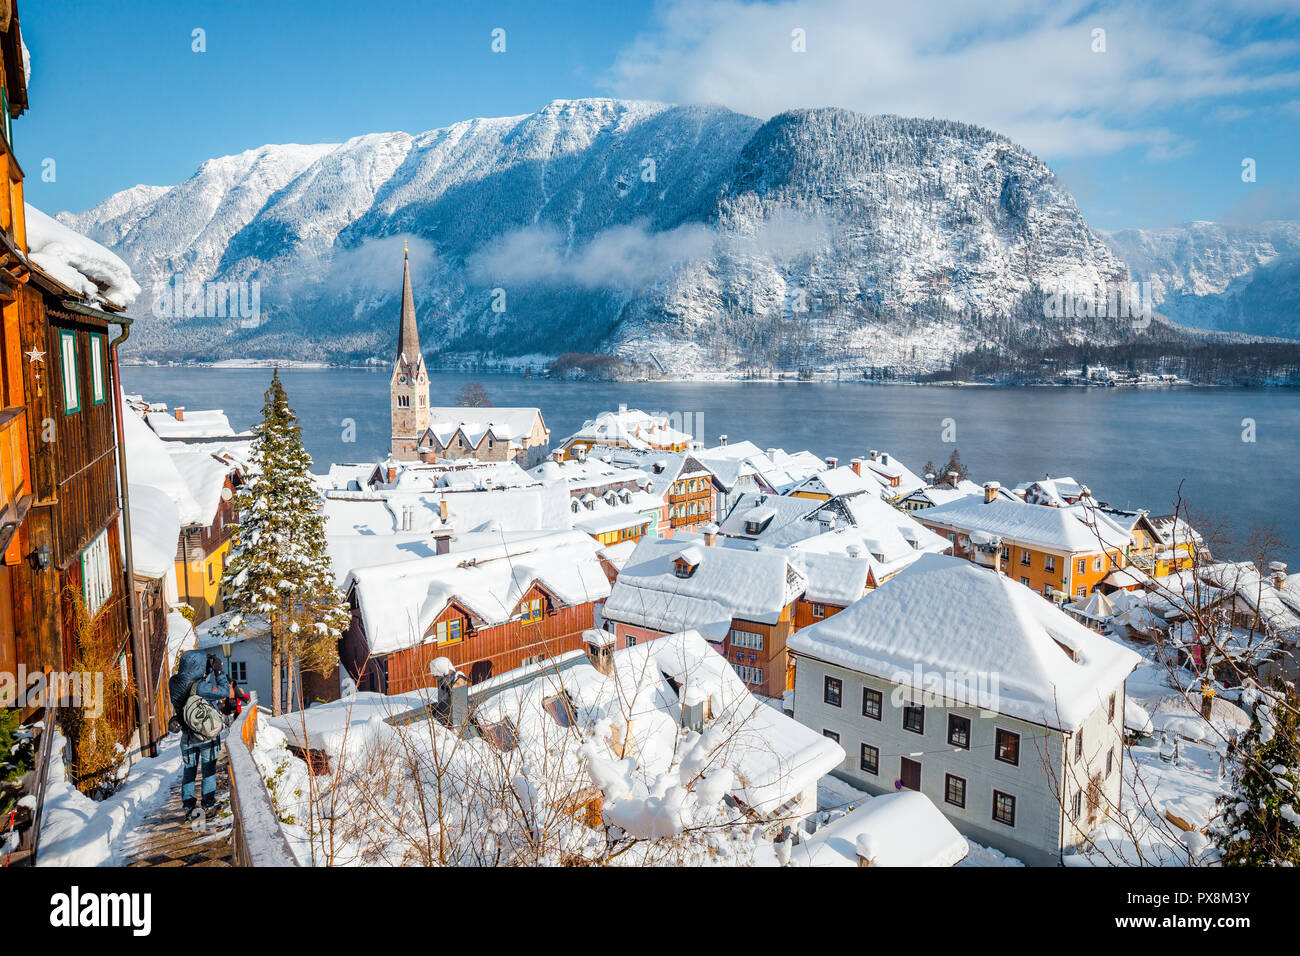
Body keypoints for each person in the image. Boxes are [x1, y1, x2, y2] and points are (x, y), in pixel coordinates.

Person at [168, 649, 231, 821]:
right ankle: (208, 805)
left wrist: (206, 670)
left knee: (189, 771)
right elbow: (225, 691)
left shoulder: (173, 682)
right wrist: (218, 671)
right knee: (208, 770)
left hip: (187, 736)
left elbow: (190, 684)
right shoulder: (202, 687)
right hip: (206, 736)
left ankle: (189, 808)